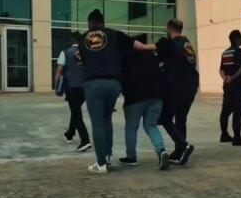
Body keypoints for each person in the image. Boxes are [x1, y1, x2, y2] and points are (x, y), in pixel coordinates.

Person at [78, 9, 153, 174]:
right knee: (106, 119)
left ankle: (100, 164)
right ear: (103, 23)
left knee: (97, 123)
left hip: (93, 84)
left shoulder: (82, 38)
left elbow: (80, 62)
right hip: (113, 84)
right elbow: (139, 46)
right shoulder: (114, 34)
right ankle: (107, 156)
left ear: (89, 23)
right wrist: (158, 46)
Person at [119, 48, 170, 170]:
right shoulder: (152, 56)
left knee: (131, 127)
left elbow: (122, 78)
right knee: (151, 125)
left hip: (135, 96)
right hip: (156, 96)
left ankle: (131, 157)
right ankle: (161, 150)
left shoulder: (126, 57)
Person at [156, 18, 197, 165]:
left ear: (169, 29)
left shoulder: (171, 45)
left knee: (165, 118)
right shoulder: (187, 44)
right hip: (191, 87)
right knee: (181, 119)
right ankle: (180, 151)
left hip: (178, 87)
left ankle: (183, 146)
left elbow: (161, 61)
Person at [54, 32, 91, 152]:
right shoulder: (87, 52)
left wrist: (56, 86)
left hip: (72, 87)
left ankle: (85, 140)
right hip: (85, 87)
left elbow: (59, 70)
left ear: (71, 40)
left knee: (76, 113)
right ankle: (69, 134)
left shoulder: (65, 52)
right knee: (75, 110)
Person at [219, 30, 241, 146]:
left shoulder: (225, 53)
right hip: (238, 86)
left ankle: (224, 134)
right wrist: (233, 78)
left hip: (228, 87)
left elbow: (221, 70)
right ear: (237, 39)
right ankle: (237, 137)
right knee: (238, 111)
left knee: (226, 110)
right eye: (240, 38)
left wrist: (225, 78)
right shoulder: (239, 52)